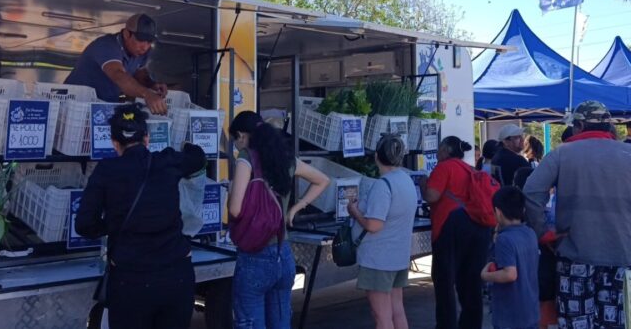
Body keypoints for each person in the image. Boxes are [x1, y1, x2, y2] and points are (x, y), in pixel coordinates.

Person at [524, 100, 631, 329]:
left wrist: (542, 232)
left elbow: (532, 192)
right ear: (608, 126)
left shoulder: (561, 154)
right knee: (614, 322)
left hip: (575, 257)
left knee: (576, 323)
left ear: (579, 125)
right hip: (619, 256)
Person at [75, 104, 206, 329]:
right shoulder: (168, 161)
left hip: (130, 280)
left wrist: (111, 225)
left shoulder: (106, 170)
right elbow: (198, 157)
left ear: (114, 142)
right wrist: (188, 146)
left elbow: (84, 224)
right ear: (146, 138)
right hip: (176, 276)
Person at [228, 111, 330, 328]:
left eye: (234, 140)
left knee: (250, 323)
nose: (236, 145)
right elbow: (322, 180)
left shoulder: (246, 158)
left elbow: (235, 209)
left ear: (241, 135)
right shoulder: (286, 158)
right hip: (283, 255)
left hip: (254, 257)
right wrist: (295, 208)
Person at [419, 136, 492, 329]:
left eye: (440, 148)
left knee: (444, 280)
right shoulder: (468, 168)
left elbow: (432, 196)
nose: (437, 153)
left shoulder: (445, 167)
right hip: (477, 226)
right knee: (471, 282)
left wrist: (423, 185)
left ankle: (446, 325)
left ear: (447, 150)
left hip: (450, 225)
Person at [347, 134, 417, 329]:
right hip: (398, 256)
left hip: (378, 259)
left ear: (377, 156)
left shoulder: (383, 185)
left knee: (382, 316)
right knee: (397, 311)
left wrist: (355, 212)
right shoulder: (406, 180)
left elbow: (373, 225)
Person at [65, 13, 168, 114]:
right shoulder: (106, 45)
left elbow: (138, 73)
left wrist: (152, 85)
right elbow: (118, 74)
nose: (145, 47)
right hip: (74, 102)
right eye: (140, 40)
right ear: (127, 34)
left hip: (101, 106)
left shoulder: (143, 51)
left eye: (149, 41)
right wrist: (147, 94)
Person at [481, 186, 539, 329]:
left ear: (498, 212)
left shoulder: (504, 239)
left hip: (510, 315)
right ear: (523, 210)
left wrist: (485, 275)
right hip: (531, 310)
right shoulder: (530, 233)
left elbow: (510, 274)